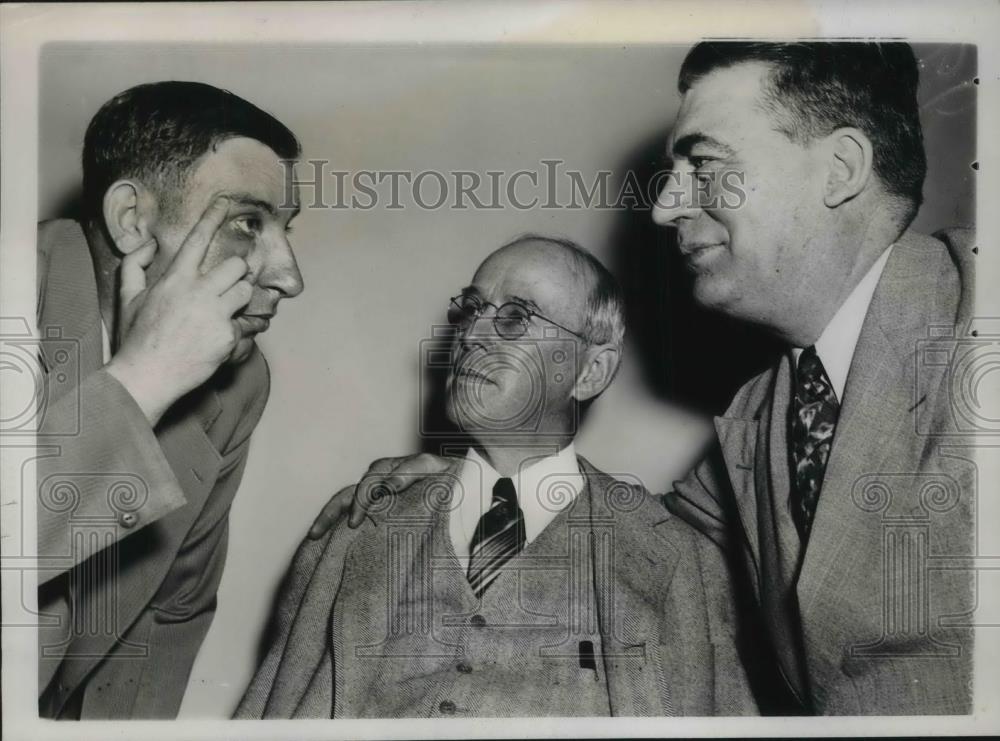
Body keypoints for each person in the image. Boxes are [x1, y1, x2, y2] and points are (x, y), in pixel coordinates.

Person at [316, 42, 976, 715]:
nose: (665, 207)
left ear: (840, 169)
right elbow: (649, 537)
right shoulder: (766, 409)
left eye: (704, 164)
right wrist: (485, 486)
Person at [236, 235, 757, 718]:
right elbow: (271, 710)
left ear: (590, 371)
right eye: (470, 309)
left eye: (516, 316)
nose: (471, 335)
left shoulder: (675, 557)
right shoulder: (361, 523)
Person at [36, 81, 304, 719]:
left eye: (285, 230)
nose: (290, 276)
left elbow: (165, 616)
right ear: (132, 219)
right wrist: (147, 376)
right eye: (247, 223)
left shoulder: (236, 381)